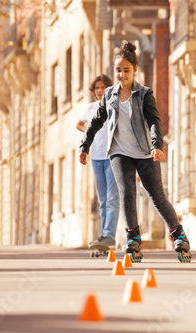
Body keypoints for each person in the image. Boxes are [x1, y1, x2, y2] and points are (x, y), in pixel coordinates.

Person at [78, 41, 191, 262]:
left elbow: (154, 121)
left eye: (126, 70)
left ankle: (178, 234)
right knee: (127, 193)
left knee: (156, 195)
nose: (122, 75)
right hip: (119, 153)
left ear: (135, 70)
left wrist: (157, 145)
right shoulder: (109, 95)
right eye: (118, 70)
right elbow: (95, 122)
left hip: (145, 152)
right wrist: (85, 145)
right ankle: (133, 238)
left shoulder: (144, 94)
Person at [77, 74, 119, 249]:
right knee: (102, 201)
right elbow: (79, 124)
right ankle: (104, 239)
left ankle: (109, 236)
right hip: (96, 158)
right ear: (93, 91)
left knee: (112, 199)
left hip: (113, 157)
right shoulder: (91, 108)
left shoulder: (115, 106)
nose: (100, 91)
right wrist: (89, 131)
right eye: (97, 88)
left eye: (103, 87)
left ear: (108, 88)